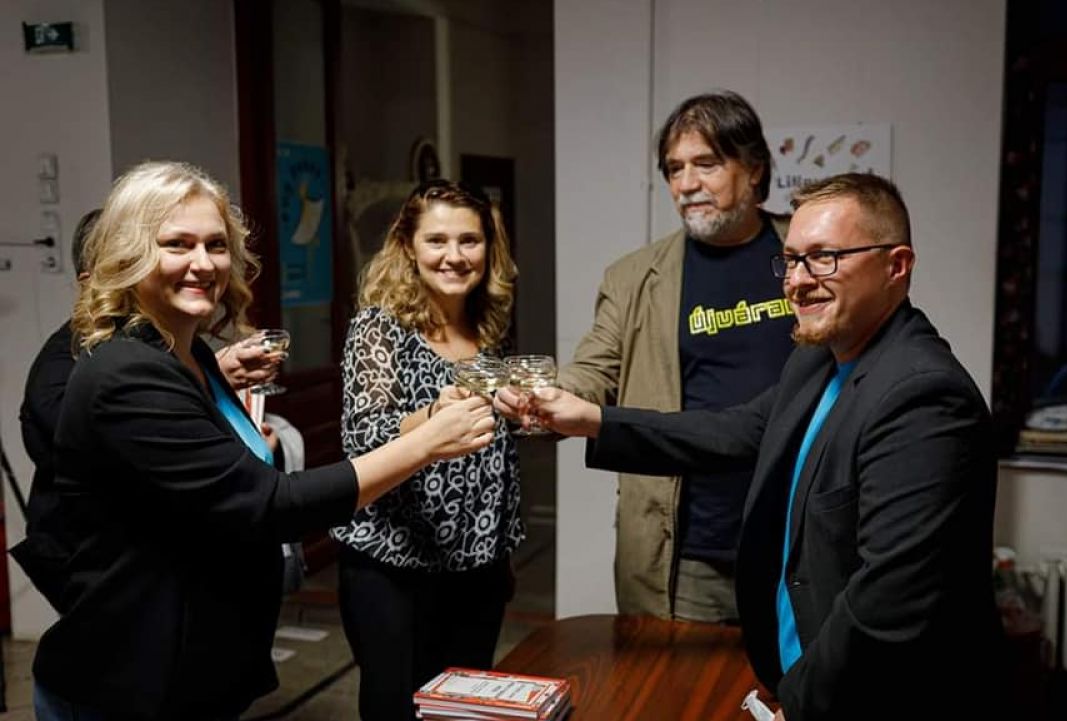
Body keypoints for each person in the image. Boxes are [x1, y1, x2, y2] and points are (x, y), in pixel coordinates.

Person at [499, 174, 1006, 718]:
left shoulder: (924, 397)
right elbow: (735, 431)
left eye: (824, 258)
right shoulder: (819, 359)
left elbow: (889, 599)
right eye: (791, 261)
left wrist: (801, 705)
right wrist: (593, 420)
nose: (797, 281)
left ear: (896, 265)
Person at [32, 161, 496, 721]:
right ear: (128, 254)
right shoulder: (125, 370)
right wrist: (425, 444)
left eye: (216, 245)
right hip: (128, 681)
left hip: (192, 673)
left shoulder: (188, 353)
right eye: (177, 244)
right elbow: (270, 504)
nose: (203, 263)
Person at [556, 90, 794, 621]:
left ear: (754, 169)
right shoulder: (634, 277)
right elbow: (594, 369)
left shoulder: (807, 256)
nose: (686, 184)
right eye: (674, 169)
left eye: (706, 164)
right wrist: (548, 396)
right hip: (689, 558)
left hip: (798, 549)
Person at [13, 210, 283, 612]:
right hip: (121, 592)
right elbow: (132, 460)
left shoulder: (172, 348)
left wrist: (217, 376)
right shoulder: (73, 368)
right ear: (91, 283)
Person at [330, 179, 522, 721]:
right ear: (408, 246)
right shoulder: (379, 327)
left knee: (464, 708)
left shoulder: (490, 327)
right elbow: (363, 435)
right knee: (397, 708)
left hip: (480, 562)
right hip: (392, 563)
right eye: (437, 240)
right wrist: (433, 416)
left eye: (469, 240)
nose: (454, 256)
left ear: (489, 247)